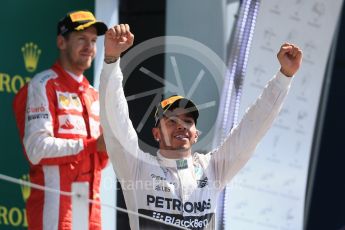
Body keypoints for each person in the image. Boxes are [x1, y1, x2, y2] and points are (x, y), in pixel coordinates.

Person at [98, 24, 302, 229]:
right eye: (171, 121)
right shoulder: (137, 167)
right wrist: (111, 61)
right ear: (156, 133)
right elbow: (116, 121)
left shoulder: (212, 168)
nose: (181, 127)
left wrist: (283, 78)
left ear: (196, 135)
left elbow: (252, 128)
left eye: (188, 121)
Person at [13, 10, 108, 230]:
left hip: (85, 199)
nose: (89, 47)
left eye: (93, 41)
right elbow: (36, 149)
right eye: (81, 39)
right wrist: (92, 145)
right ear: (61, 42)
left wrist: (110, 148)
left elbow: (99, 159)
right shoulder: (43, 84)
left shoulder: (93, 93)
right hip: (54, 202)